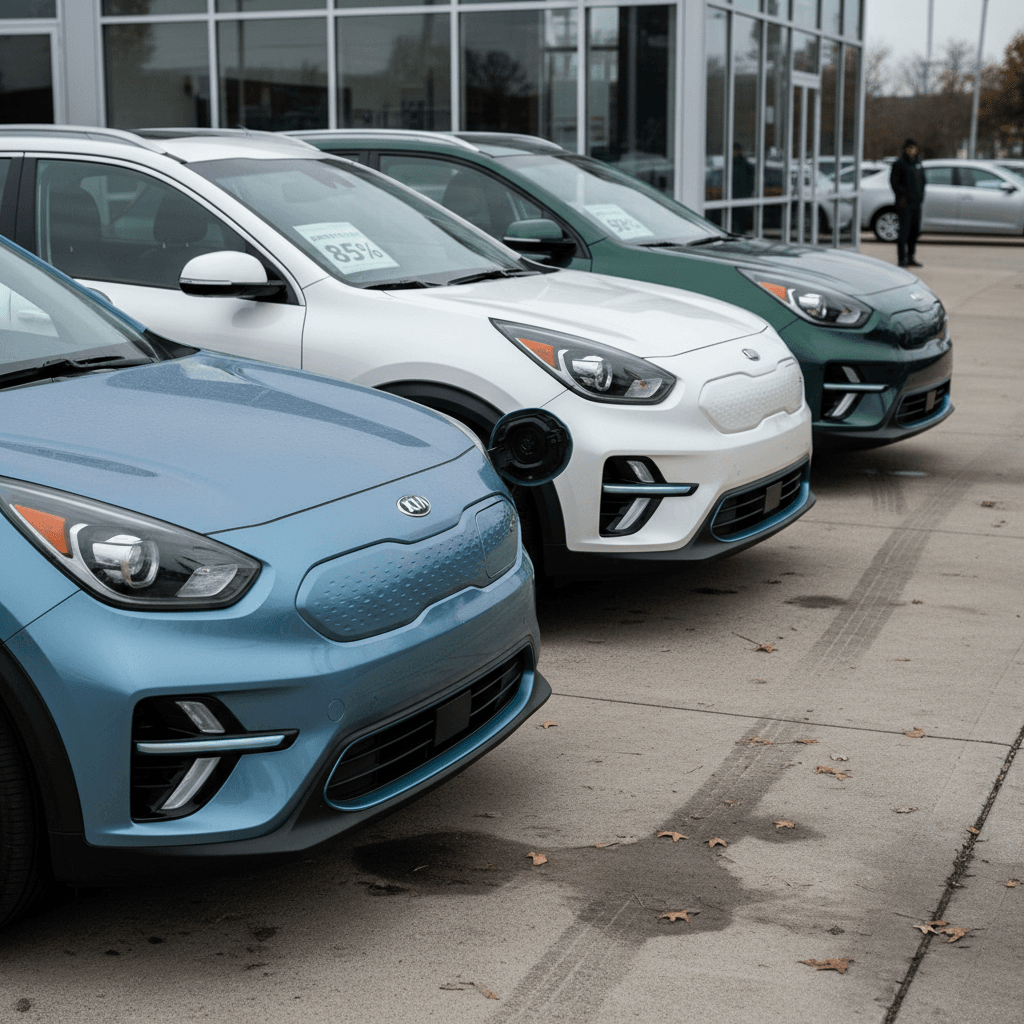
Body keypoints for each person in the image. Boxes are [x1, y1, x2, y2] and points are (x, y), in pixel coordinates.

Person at [889, 139, 925, 267]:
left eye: (914, 148)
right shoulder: (899, 164)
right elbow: (894, 183)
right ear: (905, 149)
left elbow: (923, 181)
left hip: (916, 204)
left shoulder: (918, 163)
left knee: (915, 232)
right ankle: (901, 259)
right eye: (910, 148)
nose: (912, 150)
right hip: (904, 204)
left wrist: (920, 196)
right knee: (904, 232)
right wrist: (903, 196)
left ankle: (911, 257)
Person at [731, 142, 755, 235]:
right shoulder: (733, 163)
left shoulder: (744, 165)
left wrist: (747, 193)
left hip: (741, 197)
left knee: (739, 222)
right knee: (735, 221)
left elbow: (749, 182)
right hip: (735, 196)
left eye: (733, 150)